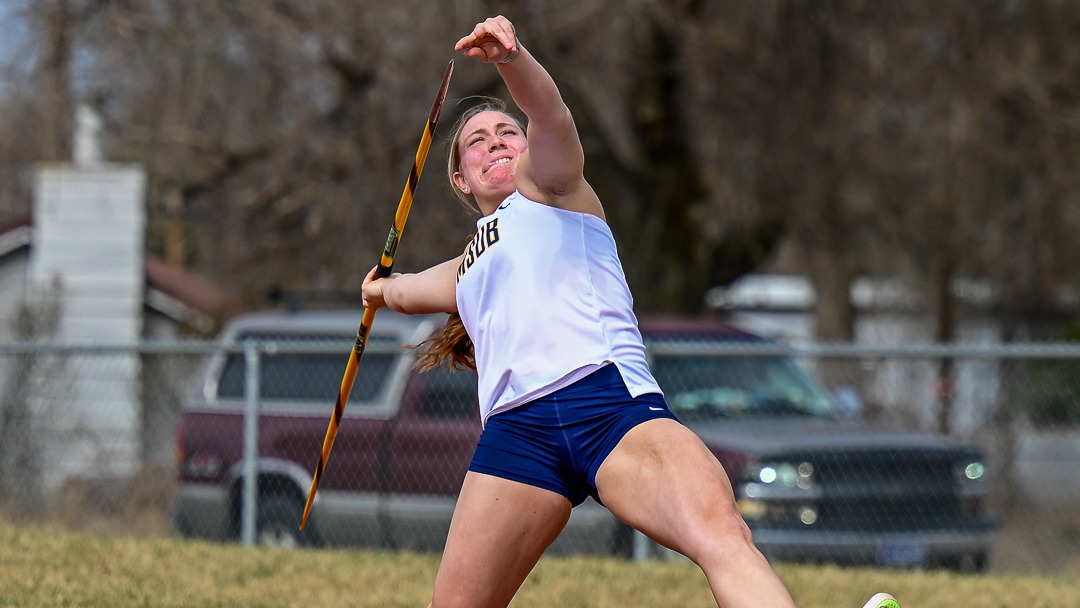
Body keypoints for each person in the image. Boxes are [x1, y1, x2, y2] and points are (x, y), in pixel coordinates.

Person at [363, 15, 895, 608]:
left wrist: (513, 61)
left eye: (505, 131)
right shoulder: (470, 264)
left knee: (721, 535)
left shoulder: (553, 189)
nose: (496, 141)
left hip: (609, 405)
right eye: (478, 141)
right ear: (462, 180)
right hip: (516, 432)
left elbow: (552, 117)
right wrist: (378, 291)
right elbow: (411, 289)